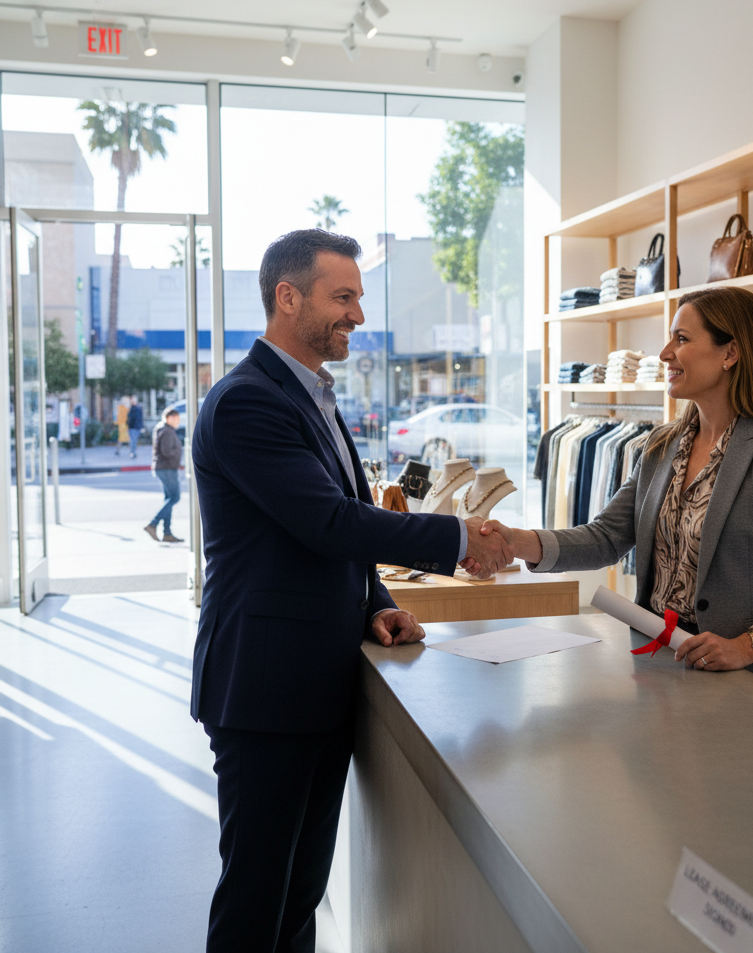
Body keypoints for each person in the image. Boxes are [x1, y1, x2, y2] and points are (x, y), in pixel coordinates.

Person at [189, 229, 512, 953]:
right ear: (287, 297)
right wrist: (460, 541)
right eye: (343, 297)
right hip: (265, 688)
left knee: (301, 894)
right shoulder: (246, 403)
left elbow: (330, 535)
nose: (357, 315)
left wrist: (376, 604)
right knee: (256, 901)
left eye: (358, 298)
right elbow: (330, 522)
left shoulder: (315, 396)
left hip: (314, 682)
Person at [475, 287, 753, 699]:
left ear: (730, 353)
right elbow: (607, 537)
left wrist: (746, 645)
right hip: (662, 672)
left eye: (682, 339)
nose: (665, 353)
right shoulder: (662, 446)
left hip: (752, 686)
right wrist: (517, 542)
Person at [145, 407, 184, 543]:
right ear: (170, 418)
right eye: (177, 419)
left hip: (165, 468)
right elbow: (166, 452)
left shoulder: (164, 429)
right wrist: (177, 454)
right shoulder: (167, 431)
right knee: (175, 497)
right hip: (167, 468)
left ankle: (167, 533)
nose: (178, 421)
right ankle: (153, 524)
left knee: (169, 498)